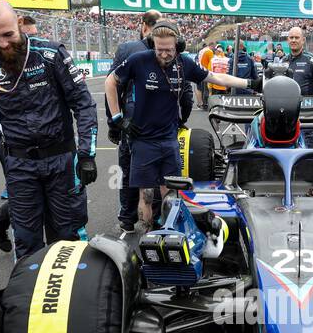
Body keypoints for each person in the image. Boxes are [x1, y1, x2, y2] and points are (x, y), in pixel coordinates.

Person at [0, 0, 98, 257]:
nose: (3, 43)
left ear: (19, 23)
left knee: (68, 236)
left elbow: (83, 104)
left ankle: (75, 295)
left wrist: (86, 154)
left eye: (8, 34)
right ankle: (26, 295)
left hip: (62, 160)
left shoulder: (50, 54)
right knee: (27, 241)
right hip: (19, 165)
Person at [104, 18, 253, 228]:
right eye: (159, 49)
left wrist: (250, 83)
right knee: (146, 194)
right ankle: (147, 235)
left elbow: (217, 79)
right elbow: (111, 81)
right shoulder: (139, 60)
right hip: (143, 140)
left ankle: (169, 231)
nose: (164, 54)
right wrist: (117, 118)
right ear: (152, 44)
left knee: (170, 192)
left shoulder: (184, 63)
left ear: (178, 45)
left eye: (169, 50)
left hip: (169, 139)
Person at [106, 10, 190, 232]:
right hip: (157, 128)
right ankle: (163, 224)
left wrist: (114, 121)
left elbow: (113, 86)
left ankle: (127, 219)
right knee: (164, 183)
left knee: (130, 175)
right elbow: (187, 95)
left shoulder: (127, 49)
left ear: (144, 27)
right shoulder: (168, 55)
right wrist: (180, 120)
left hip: (132, 126)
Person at [281, 26, 313, 144]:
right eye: (291, 37)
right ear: (287, 40)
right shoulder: (282, 61)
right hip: (286, 114)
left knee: (307, 154)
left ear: (303, 40)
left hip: (307, 114)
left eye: (297, 37)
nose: (293, 40)